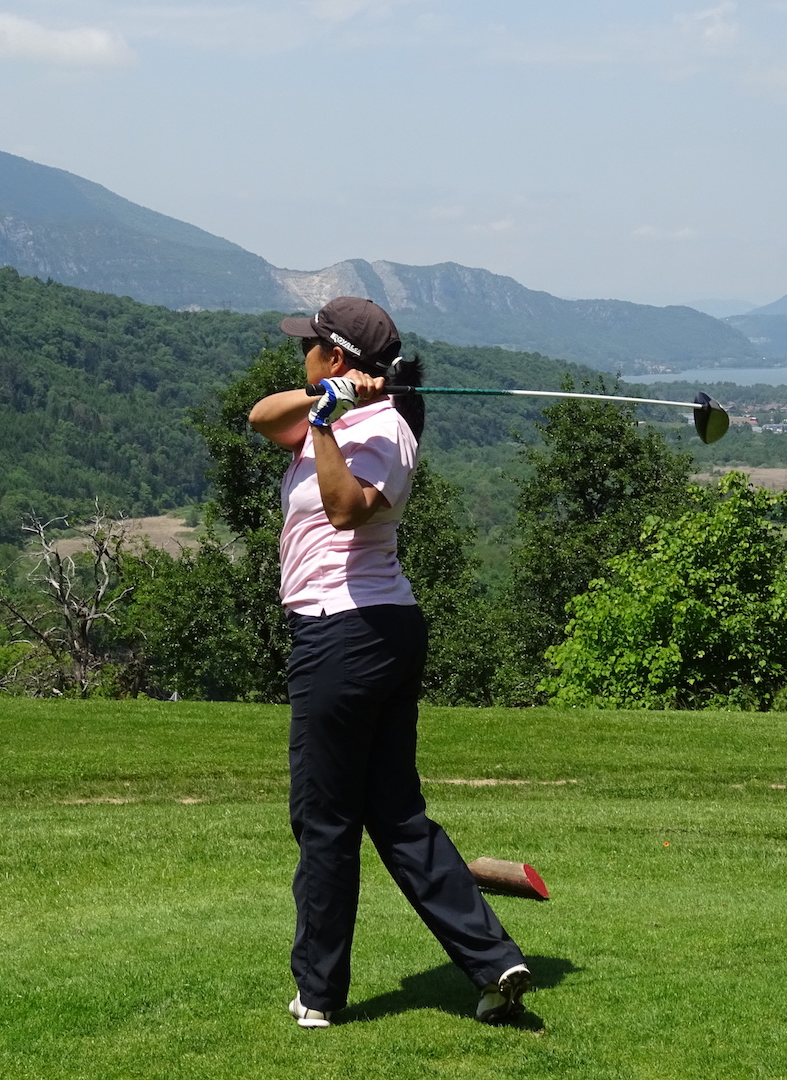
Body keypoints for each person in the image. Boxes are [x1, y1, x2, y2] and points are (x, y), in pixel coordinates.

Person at [248, 296, 531, 1029]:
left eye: (311, 349)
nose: (302, 354)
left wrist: (325, 422)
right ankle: (494, 962)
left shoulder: (386, 431)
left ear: (336, 354)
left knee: (324, 819)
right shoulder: (342, 409)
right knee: (395, 815)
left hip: (347, 635)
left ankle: (318, 993)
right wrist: (324, 400)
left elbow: (345, 509)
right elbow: (260, 417)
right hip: (371, 634)